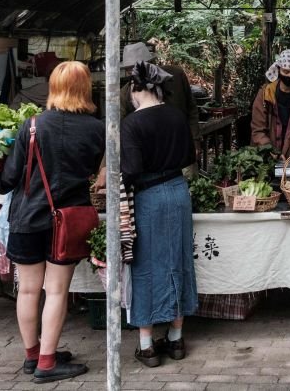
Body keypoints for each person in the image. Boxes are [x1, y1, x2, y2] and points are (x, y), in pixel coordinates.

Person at [0, 62, 104, 383]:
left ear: (53, 88)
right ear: (86, 88)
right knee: (56, 291)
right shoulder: (96, 129)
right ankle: (47, 363)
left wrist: (1, 179)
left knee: (28, 290)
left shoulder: (30, 126)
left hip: (26, 219)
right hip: (66, 220)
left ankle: (34, 356)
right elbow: (94, 172)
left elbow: (8, 180)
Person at [118, 61, 198, 367]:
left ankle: (147, 345)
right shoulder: (176, 115)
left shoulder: (131, 125)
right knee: (178, 260)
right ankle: (176, 340)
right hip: (179, 192)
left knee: (146, 265)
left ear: (138, 90)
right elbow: (190, 155)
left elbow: (132, 170)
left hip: (148, 196)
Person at [118, 43, 200, 166]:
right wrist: (105, 166)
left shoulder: (175, 76)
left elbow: (191, 108)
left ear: (151, 64)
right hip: (153, 158)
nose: (134, 73)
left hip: (182, 147)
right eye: (130, 69)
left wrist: (195, 141)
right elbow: (117, 128)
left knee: (190, 182)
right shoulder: (126, 93)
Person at [250, 49, 290, 158]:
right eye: (286, 71)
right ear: (278, 69)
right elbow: (258, 130)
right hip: (266, 157)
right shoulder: (265, 93)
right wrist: (270, 149)